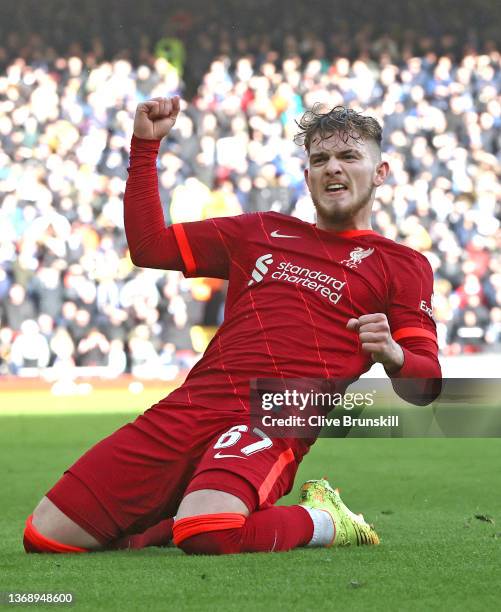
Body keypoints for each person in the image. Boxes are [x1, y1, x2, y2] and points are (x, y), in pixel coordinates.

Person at [24, 97, 441, 555]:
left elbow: (425, 387)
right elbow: (149, 247)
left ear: (379, 172)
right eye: (319, 159)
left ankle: (325, 520)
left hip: (274, 414)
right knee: (46, 536)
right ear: (307, 177)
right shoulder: (259, 231)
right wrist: (145, 147)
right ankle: (170, 521)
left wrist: (395, 356)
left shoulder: (402, 264)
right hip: (193, 403)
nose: (332, 168)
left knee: (209, 530)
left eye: (348, 156)